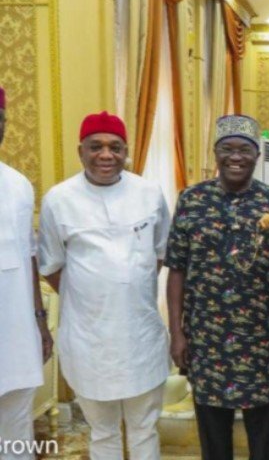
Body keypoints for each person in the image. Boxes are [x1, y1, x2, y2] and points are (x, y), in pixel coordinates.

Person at [38, 112, 170, 460]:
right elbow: (51, 265)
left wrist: (126, 287)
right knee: (103, 432)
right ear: (80, 150)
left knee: (144, 429)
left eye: (115, 147)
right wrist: (94, 293)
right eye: (96, 146)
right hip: (89, 341)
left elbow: (159, 254)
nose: (106, 155)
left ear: (126, 151)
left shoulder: (149, 192)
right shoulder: (58, 198)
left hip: (140, 337)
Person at [165, 115, 269, 460]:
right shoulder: (191, 200)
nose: (235, 157)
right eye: (227, 149)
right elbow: (176, 269)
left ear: (257, 155)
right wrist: (176, 333)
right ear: (215, 153)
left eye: (244, 150)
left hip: (262, 339)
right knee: (213, 438)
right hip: (206, 338)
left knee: (263, 438)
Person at [0, 86, 53, 460]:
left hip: (15, 335)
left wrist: (40, 322)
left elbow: (30, 256)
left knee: (16, 434)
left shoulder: (18, 185)